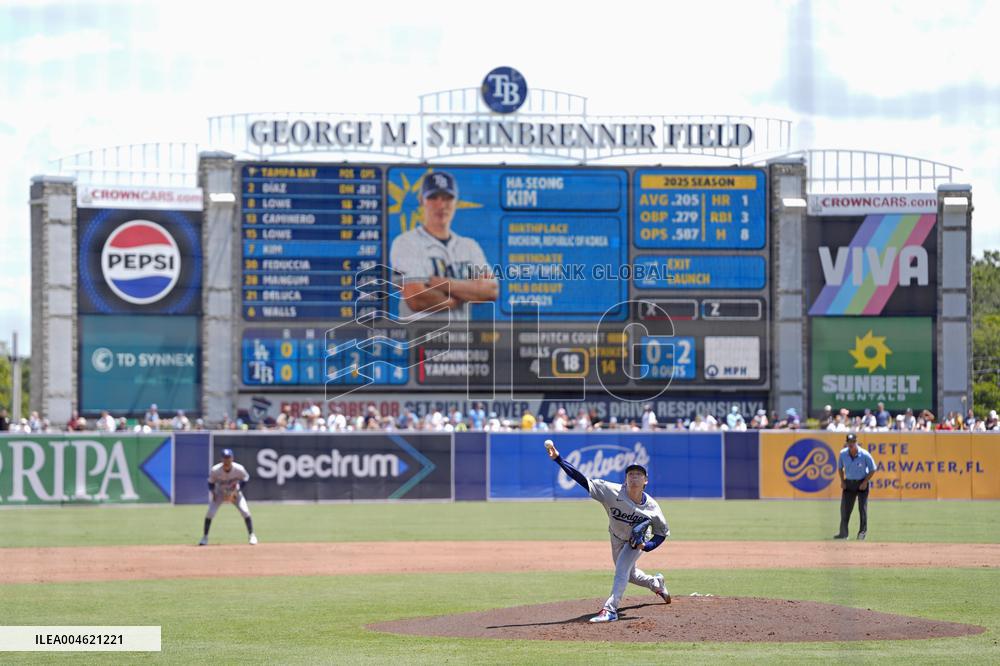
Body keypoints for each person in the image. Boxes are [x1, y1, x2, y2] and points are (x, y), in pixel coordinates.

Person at [544, 439, 671, 623]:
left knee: (621, 571)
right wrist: (558, 459)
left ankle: (610, 610)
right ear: (625, 479)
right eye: (630, 474)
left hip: (635, 541)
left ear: (646, 480)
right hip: (616, 536)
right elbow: (581, 479)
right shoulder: (610, 491)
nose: (634, 476)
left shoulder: (652, 507)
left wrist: (646, 546)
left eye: (638, 474)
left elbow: (661, 533)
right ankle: (655, 583)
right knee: (630, 575)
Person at [389, 170, 498, 319]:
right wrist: (467, 293)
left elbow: (491, 291)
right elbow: (416, 298)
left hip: (462, 339)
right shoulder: (406, 243)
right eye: (433, 197)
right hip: (420, 338)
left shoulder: (469, 247)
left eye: (448, 198)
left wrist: (438, 283)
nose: (441, 205)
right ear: (422, 200)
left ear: (456, 202)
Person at [199, 448, 257, 546]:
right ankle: (205, 537)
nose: (227, 460)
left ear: (232, 458)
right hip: (219, 493)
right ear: (221, 459)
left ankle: (252, 535)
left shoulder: (239, 469)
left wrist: (237, 491)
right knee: (210, 513)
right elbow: (210, 482)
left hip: (235, 493)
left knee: (245, 511)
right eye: (225, 458)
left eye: (228, 457)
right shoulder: (215, 470)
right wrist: (213, 493)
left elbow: (245, 478)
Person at [834, 433, 878, 541]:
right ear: (847, 443)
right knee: (845, 509)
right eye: (849, 442)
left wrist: (865, 482)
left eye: (853, 442)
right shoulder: (843, 453)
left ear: (856, 442)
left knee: (862, 509)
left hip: (861, 483)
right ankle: (843, 533)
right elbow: (840, 468)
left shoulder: (864, 454)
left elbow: (873, 469)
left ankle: (862, 533)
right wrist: (842, 481)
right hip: (848, 483)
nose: (851, 444)